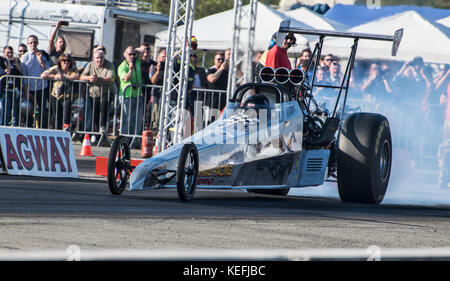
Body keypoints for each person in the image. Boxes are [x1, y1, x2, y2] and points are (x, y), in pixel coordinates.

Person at [80, 49, 116, 135]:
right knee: (94, 113)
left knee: (103, 108)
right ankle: (95, 132)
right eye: (97, 58)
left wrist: (98, 79)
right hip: (93, 94)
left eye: (101, 58)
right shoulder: (90, 65)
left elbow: (112, 77)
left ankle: (103, 127)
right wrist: (89, 78)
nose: (99, 60)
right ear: (94, 58)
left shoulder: (109, 65)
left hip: (106, 93)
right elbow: (81, 76)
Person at [41, 54, 79, 130]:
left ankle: (66, 127)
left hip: (67, 95)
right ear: (60, 61)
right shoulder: (56, 68)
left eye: (68, 61)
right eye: (64, 60)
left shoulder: (73, 69)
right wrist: (55, 76)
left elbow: (77, 76)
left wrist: (65, 77)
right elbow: (43, 75)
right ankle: (55, 130)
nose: (66, 62)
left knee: (66, 112)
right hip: (56, 94)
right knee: (56, 114)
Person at [21, 34, 51, 128]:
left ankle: (42, 128)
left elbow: (48, 70)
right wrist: (26, 91)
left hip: (41, 87)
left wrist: (41, 61)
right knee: (28, 110)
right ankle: (28, 127)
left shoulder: (42, 54)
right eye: (31, 42)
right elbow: (24, 75)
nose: (33, 44)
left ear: (37, 43)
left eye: (34, 42)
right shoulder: (25, 57)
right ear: (28, 44)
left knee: (42, 110)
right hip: (29, 88)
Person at [117, 46, 143, 136]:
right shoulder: (122, 67)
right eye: (129, 54)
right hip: (126, 96)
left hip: (138, 95)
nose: (132, 56)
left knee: (137, 120)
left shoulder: (138, 62)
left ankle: (135, 140)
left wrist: (135, 50)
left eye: (133, 54)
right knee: (126, 119)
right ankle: (125, 138)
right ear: (125, 55)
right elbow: (126, 79)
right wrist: (130, 70)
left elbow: (142, 51)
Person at [0, 46, 22, 126]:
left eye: (11, 53)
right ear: (3, 53)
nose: (10, 54)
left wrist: (17, 65)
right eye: (8, 53)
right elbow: (7, 72)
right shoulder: (1, 62)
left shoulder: (15, 63)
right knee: (6, 111)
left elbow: (20, 74)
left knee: (15, 112)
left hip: (14, 90)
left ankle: (14, 128)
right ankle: (3, 127)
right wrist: (8, 62)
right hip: (4, 90)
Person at [146, 49, 166, 134]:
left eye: (166, 57)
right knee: (155, 115)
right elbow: (153, 80)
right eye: (163, 57)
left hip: (166, 96)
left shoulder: (170, 69)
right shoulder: (154, 68)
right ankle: (154, 131)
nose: (164, 59)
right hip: (156, 96)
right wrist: (158, 70)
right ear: (158, 58)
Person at [206, 51, 229, 123]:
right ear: (214, 60)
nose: (221, 61)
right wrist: (221, 69)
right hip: (212, 102)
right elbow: (212, 79)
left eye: (222, 59)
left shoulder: (227, 72)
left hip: (223, 101)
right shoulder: (211, 70)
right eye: (218, 59)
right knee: (210, 122)